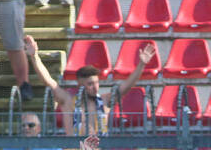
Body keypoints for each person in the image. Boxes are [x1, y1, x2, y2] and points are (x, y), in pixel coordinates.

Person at [24, 35, 153, 138]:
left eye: (97, 83)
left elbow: (127, 86)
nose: (95, 87)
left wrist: (141, 65)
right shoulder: (68, 101)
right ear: (80, 85)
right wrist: (35, 57)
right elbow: (48, 81)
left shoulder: (105, 101)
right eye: (90, 84)